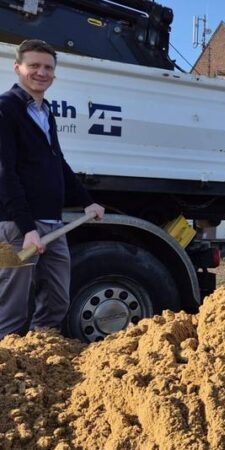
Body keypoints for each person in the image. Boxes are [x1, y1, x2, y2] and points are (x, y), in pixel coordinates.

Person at [0, 39, 105, 339]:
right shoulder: (5, 109)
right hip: (14, 227)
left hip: (52, 224)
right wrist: (27, 227)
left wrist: (86, 202)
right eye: (33, 65)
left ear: (54, 74)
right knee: (11, 308)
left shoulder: (46, 113)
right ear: (18, 68)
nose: (41, 72)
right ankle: (8, 376)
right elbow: (4, 174)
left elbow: (57, 164)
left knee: (58, 299)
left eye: (48, 67)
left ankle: (38, 358)